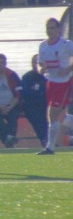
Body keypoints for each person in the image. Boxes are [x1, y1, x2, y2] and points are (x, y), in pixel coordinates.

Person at [36, 17, 73, 155]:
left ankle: (50, 147)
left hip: (63, 83)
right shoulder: (43, 45)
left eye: (53, 28)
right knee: (58, 117)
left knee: (52, 114)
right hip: (50, 82)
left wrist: (68, 69)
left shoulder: (65, 44)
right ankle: (50, 146)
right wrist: (41, 68)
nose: (50, 30)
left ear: (58, 29)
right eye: (48, 28)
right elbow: (40, 63)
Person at [21, 54, 48, 147]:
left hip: (45, 104)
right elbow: (26, 93)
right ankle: (44, 139)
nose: (35, 64)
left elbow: (48, 92)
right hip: (31, 105)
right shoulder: (27, 77)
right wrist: (39, 92)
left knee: (47, 118)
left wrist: (37, 90)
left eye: (37, 62)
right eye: (33, 62)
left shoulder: (48, 76)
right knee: (36, 118)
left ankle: (48, 140)